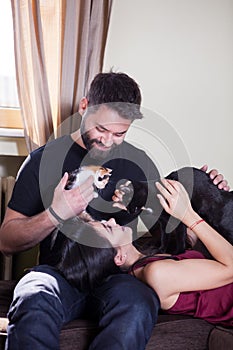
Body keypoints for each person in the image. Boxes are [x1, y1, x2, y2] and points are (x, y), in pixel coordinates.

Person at [0, 71, 229, 350]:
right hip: (61, 273)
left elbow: (171, 231)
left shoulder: (139, 163)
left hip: (120, 277)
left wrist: (207, 191)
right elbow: (6, 242)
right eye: (101, 129)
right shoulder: (41, 162)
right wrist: (55, 213)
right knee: (32, 297)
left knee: (137, 307)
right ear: (84, 107)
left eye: (119, 133)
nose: (108, 141)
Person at [57, 179, 233, 328]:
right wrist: (188, 214)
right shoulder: (157, 274)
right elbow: (230, 267)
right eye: (108, 228)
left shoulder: (150, 256)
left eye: (104, 221)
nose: (112, 220)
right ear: (118, 257)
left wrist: (210, 189)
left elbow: (201, 240)